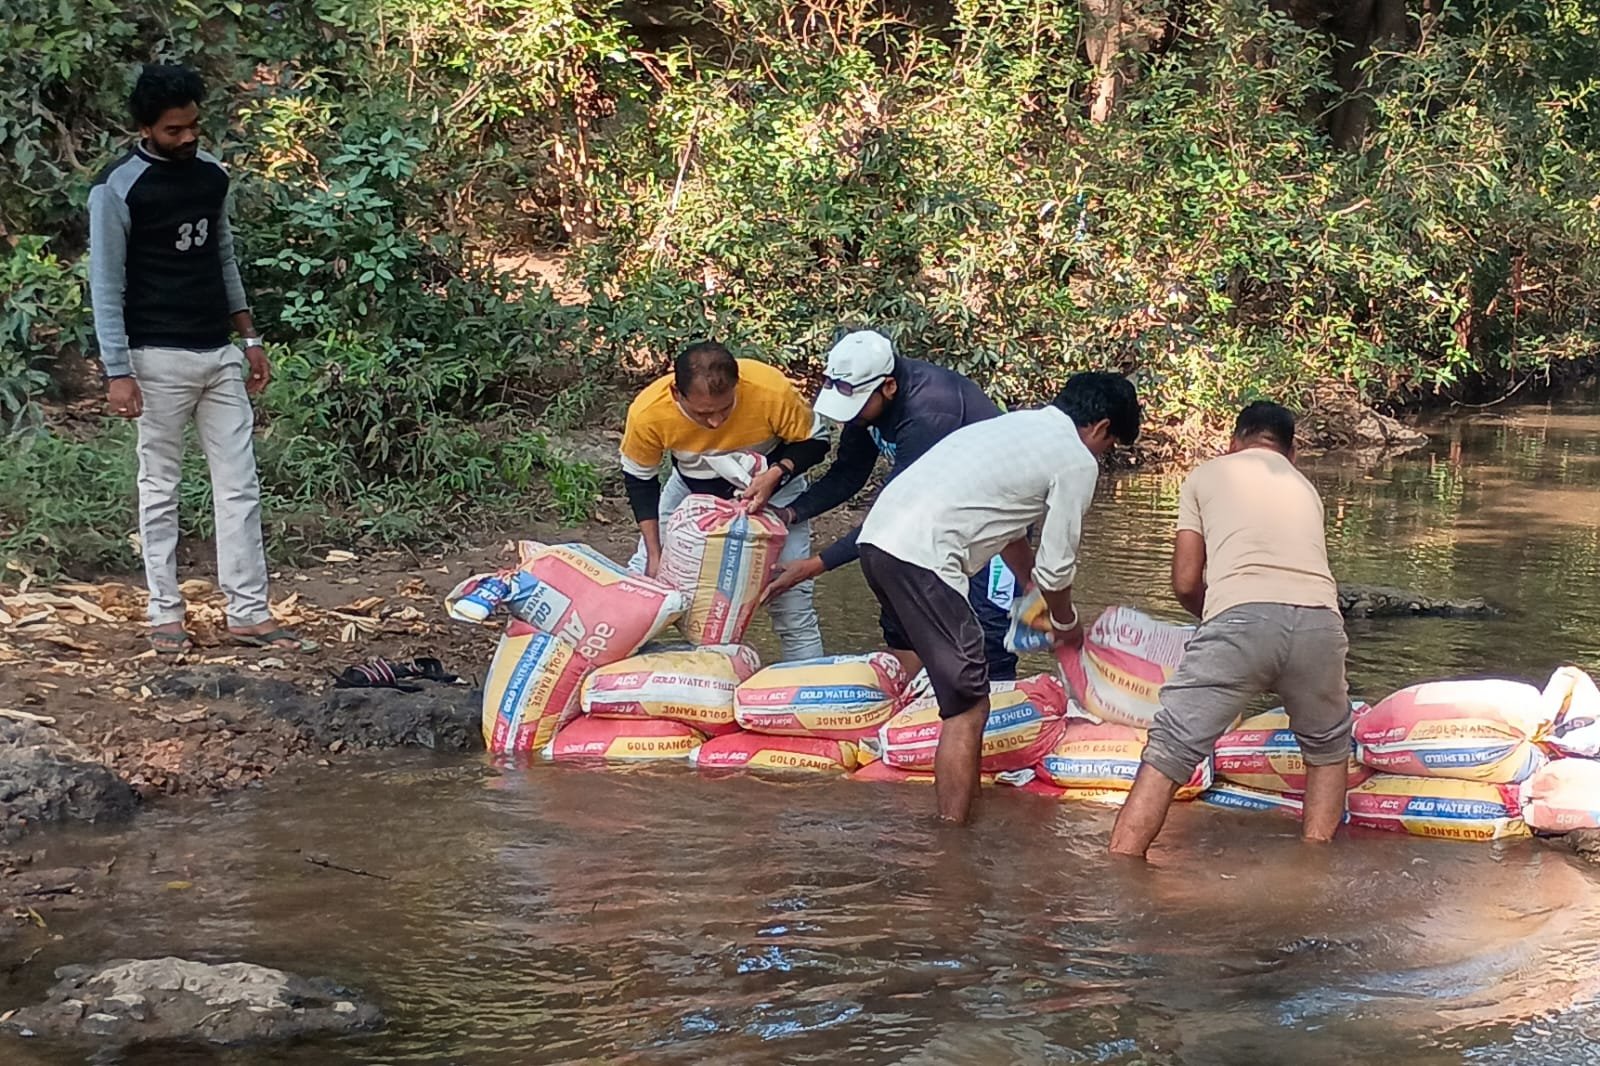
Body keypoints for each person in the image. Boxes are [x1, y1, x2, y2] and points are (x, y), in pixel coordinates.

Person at [88, 64, 312, 655]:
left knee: (239, 486)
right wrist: (117, 370)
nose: (187, 138)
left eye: (192, 126)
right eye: (172, 130)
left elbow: (223, 256)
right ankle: (165, 613)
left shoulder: (212, 176)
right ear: (144, 128)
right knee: (159, 485)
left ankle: (249, 613)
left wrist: (250, 336)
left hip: (218, 355)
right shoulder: (118, 188)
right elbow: (106, 285)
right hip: (155, 357)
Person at [857, 372, 1142, 823]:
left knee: (965, 692)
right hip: (924, 557)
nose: (1101, 456)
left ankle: (969, 812)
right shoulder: (1075, 459)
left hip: (878, 544)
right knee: (969, 704)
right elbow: (1056, 565)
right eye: (1108, 447)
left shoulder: (1014, 428)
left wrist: (1035, 597)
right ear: (1102, 428)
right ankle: (953, 840)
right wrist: (1065, 624)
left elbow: (1012, 538)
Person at [1108, 402, 1351, 858]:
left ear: (1233, 441)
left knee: (1169, 751)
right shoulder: (1306, 488)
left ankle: (1120, 864)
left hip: (1240, 620)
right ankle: (1315, 871)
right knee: (1328, 749)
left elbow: (1184, 580)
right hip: (1322, 622)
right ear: (1291, 452)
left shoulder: (1208, 474)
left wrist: (1216, 617)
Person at [762, 329, 1019, 681]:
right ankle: (904, 713)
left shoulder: (931, 409)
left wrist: (813, 566)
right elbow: (848, 474)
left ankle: (993, 721)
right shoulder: (867, 409)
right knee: (902, 614)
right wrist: (788, 513)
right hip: (936, 514)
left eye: (855, 407)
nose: (848, 418)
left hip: (995, 517)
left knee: (987, 630)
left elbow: (896, 514)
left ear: (889, 386)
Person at [621, 341, 829, 661]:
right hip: (692, 489)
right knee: (643, 584)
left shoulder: (769, 389)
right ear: (678, 395)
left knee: (790, 596)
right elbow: (640, 481)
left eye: (725, 408)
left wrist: (775, 473)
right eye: (703, 413)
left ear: (738, 386)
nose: (716, 422)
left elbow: (817, 442)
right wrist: (653, 551)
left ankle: (807, 687)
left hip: (773, 488)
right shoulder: (650, 412)